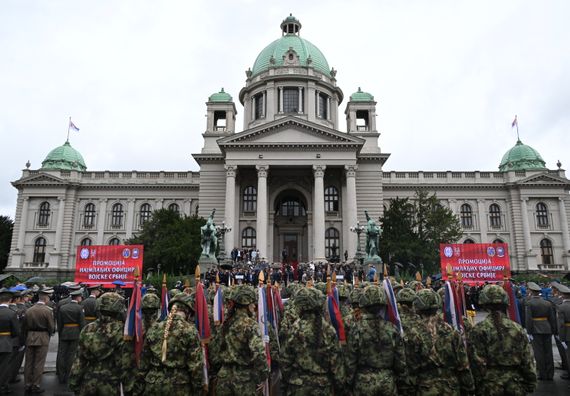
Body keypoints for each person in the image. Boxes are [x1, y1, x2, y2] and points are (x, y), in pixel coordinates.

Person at [468, 284, 536, 395]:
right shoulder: (517, 328)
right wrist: (530, 383)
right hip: (515, 384)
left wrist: (475, 385)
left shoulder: (478, 330)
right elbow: (527, 360)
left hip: (488, 385)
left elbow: (475, 362)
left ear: (484, 303)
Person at [406, 288, 474, 395]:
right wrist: (469, 389)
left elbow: (410, 369)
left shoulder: (413, 333)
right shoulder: (452, 331)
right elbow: (463, 365)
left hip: (424, 389)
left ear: (417, 307)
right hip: (451, 388)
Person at [346, 284, 410, 395]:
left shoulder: (356, 329)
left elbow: (351, 362)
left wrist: (347, 385)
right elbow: (400, 362)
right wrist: (403, 386)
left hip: (363, 384)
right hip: (388, 383)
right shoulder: (392, 329)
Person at [281, 287, 344, 395]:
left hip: (298, 386)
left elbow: (286, 362)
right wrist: (340, 387)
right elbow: (336, 364)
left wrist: (286, 384)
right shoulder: (328, 330)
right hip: (323, 387)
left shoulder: (294, 329)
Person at [69, 292, 135, 395]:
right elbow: (126, 364)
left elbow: (79, 360)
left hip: (88, 382)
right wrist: (129, 388)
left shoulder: (88, 328)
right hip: (111, 385)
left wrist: (74, 382)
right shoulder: (123, 331)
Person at [210, 284, 269, 396]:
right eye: (252, 304)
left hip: (224, 379)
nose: (254, 307)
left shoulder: (226, 324)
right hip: (244, 381)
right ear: (246, 304)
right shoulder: (250, 325)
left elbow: (214, 352)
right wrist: (263, 376)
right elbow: (259, 354)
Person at [139, 293, 203, 395]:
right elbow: (196, 367)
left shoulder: (154, 328)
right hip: (179, 386)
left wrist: (138, 389)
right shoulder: (190, 331)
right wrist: (199, 391)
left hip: (153, 384)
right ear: (188, 312)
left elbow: (143, 362)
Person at [24, 287, 55, 394]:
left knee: (29, 362)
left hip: (30, 336)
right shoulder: (47, 311)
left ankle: (27, 384)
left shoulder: (29, 310)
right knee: (39, 363)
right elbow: (51, 327)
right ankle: (36, 385)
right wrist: (49, 334)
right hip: (42, 336)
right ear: (46, 298)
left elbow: (24, 326)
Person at [525, 281, 556, 380]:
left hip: (535, 329)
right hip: (547, 328)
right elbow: (552, 318)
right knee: (548, 351)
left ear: (530, 291)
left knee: (538, 352)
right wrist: (554, 330)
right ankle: (550, 374)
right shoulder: (547, 303)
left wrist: (529, 332)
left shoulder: (529, 303)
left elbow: (529, 319)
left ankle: (542, 374)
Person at [56, 288, 85, 385]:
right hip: (75, 332)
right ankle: (68, 375)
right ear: (77, 297)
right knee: (71, 355)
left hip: (64, 331)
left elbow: (59, 323)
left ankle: (61, 376)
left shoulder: (63, 308)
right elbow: (81, 323)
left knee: (62, 354)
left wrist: (61, 333)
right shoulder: (79, 308)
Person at [0, 288, 20, 395]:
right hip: (6, 342)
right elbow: (16, 331)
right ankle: (3, 386)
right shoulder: (11, 313)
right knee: (4, 366)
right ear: (10, 300)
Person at [556, 284, 570, 383]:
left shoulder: (561, 307)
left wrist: (561, 338)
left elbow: (561, 325)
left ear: (562, 295)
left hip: (567, 334)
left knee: (569, 356)